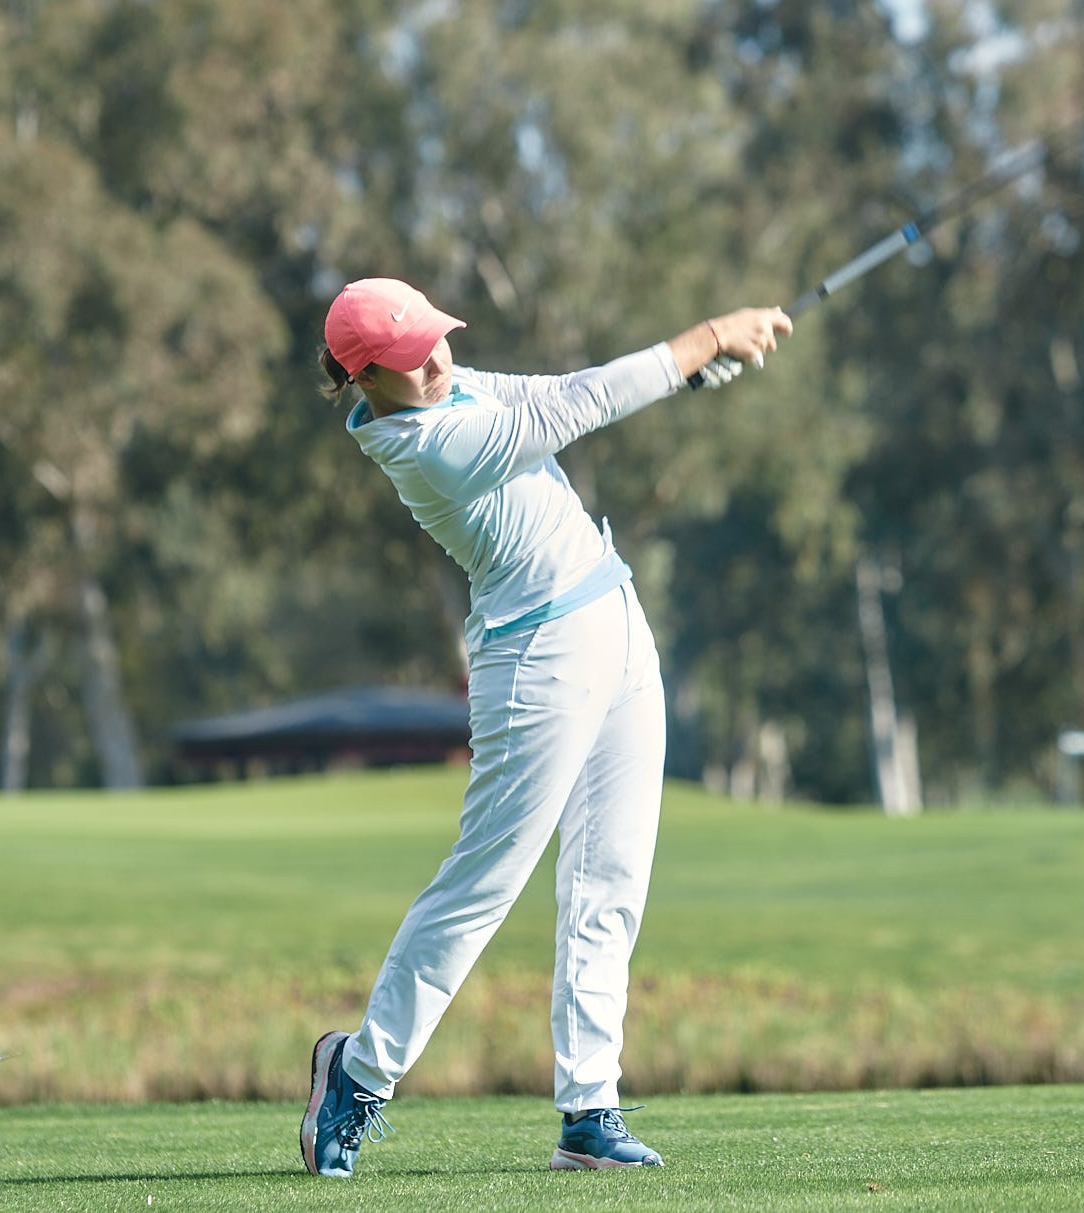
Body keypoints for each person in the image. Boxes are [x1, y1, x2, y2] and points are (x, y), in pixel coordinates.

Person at [300, 277, 791, 1177]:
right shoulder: (432, 443)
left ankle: (588, 1111)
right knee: (485, 882)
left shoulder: (454, 387)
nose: (440, 360)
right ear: (368, 377)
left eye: (439, 340)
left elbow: (544, 387)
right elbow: (581, 401)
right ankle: (358, 1074)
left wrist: (687, 373)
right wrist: (708, 333)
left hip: (615, 620)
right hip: (536, 661)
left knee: (612, 878)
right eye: (414, 359)